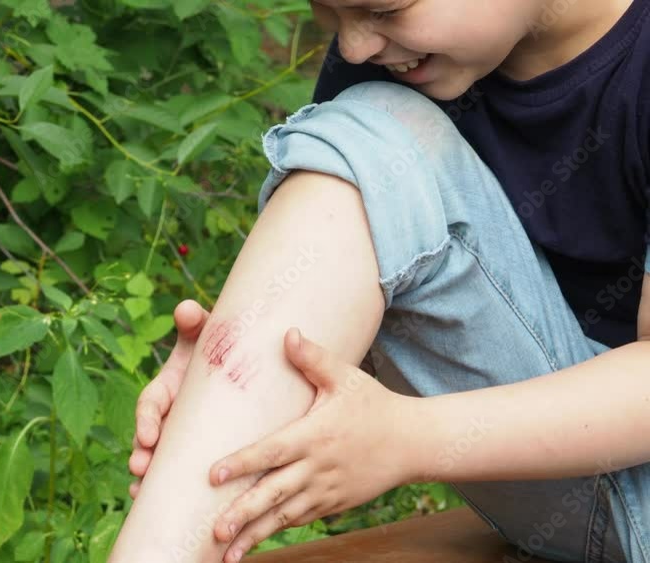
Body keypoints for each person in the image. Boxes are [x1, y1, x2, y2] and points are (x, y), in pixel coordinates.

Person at [109, 1, 650, 562]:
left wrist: (412, 438)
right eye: (327, 11)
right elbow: (354, 282)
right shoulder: (397, 61)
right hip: (577, 496)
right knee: (373, 130)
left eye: (387, 9)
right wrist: (234, 379)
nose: (354, 48)